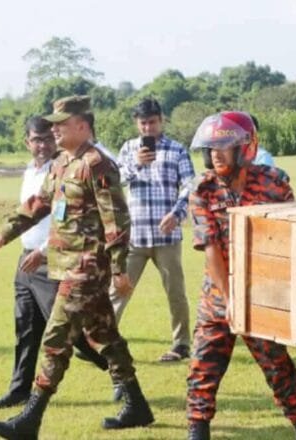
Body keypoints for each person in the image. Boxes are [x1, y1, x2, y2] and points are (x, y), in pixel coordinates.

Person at [0, 96, 154, 439]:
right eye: (53, 124)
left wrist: (120, 268)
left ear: (83, 125)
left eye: (62, 124)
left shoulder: (97, 164)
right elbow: (38, 205)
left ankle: (31, 419)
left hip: (87, 268)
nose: (55, 129)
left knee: (56, 337)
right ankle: (136, 405)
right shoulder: (62, 163)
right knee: (105, 337)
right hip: (65, 264)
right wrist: (5, 233)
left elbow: (116, 219)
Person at [185, 111, 296, 440]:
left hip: (264, 297)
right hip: (220, 298)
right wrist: (232, 302)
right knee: (203, 371)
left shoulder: (274, 183)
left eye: (223, 147)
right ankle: (196, 433)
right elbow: (212, 249)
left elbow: (292, 238)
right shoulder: (202, 190)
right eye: (210, 148)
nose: (215, 154)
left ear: (245, 148)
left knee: (279, 370)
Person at [0, 117, 107, 410]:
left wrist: (44, 249)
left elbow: (67, 219)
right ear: (27, 142)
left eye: (47, 139)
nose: (42, 145)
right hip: (27, 260)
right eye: (36, 140)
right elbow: (29, 212)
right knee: (26, 328)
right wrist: (5, 237)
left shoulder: (63, 169)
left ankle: (119, 373)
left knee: (70, 330)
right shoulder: (31, 170)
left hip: (52, 258)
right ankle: (18, 391)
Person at [113, 97, 194, 363]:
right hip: (135, 234)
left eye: (152, 122)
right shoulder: (128, 149)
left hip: (166, 235)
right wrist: (137, 163)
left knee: (175, 292)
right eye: (143, 123)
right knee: (119, 289)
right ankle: (103, 341)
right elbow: (115, 180)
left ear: (162, 120)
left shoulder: (177, 150)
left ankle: (181, 344)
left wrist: (178, 213)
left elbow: (189, 186)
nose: (148, 128)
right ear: (137, 123)